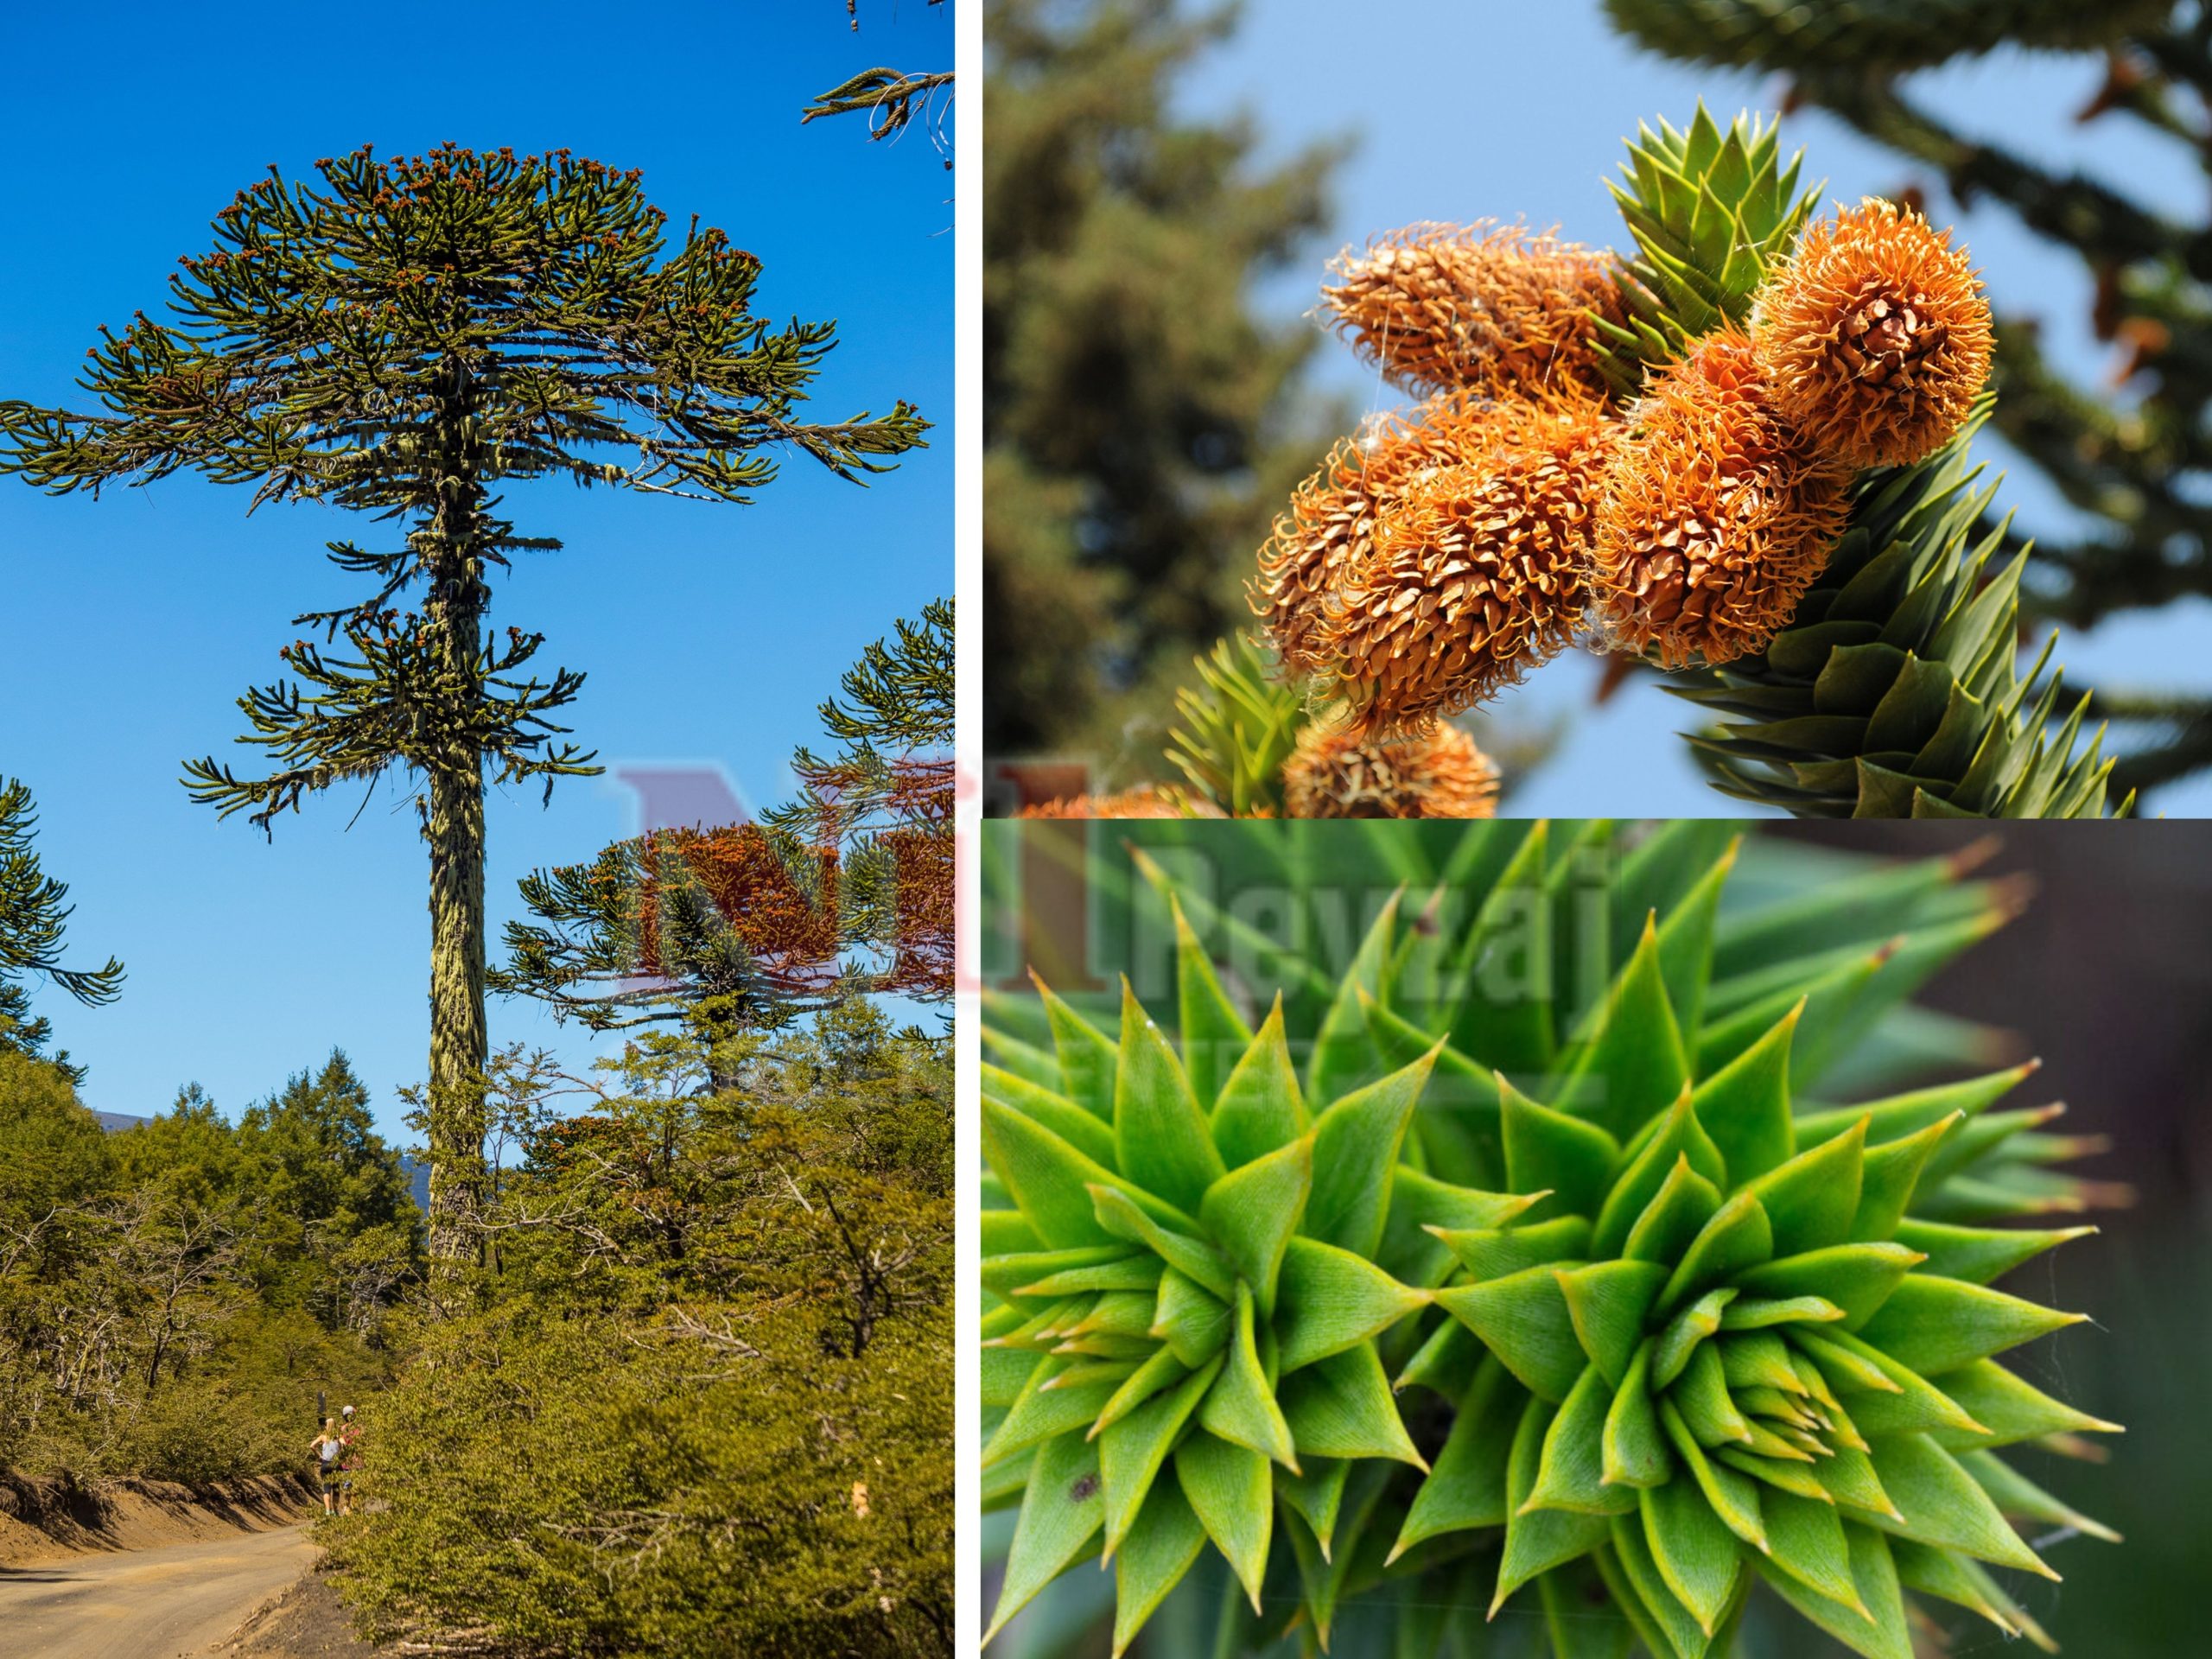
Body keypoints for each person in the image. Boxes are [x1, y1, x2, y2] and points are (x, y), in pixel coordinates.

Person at [308, 1417, 344, 1516]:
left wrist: (319, 1456)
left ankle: (328, 1510)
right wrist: (341, 1453)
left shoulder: (322, 1437)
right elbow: (344, 1444)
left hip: (325, 1464)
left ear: (325, 1425)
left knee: (327, 1489)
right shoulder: (338, 1436)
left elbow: (312, 1446)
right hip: (336, 1465)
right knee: (336, 1488)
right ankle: (336, 1511)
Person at [337, 1406, 360, 1516]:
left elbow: (340, 1445)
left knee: (347, 1486)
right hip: (358, 1461)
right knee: (357, 1486)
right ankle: (354, 1507)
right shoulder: (358, 1428)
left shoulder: (342, 1429)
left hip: (346, 1462)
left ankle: (347, 1508)